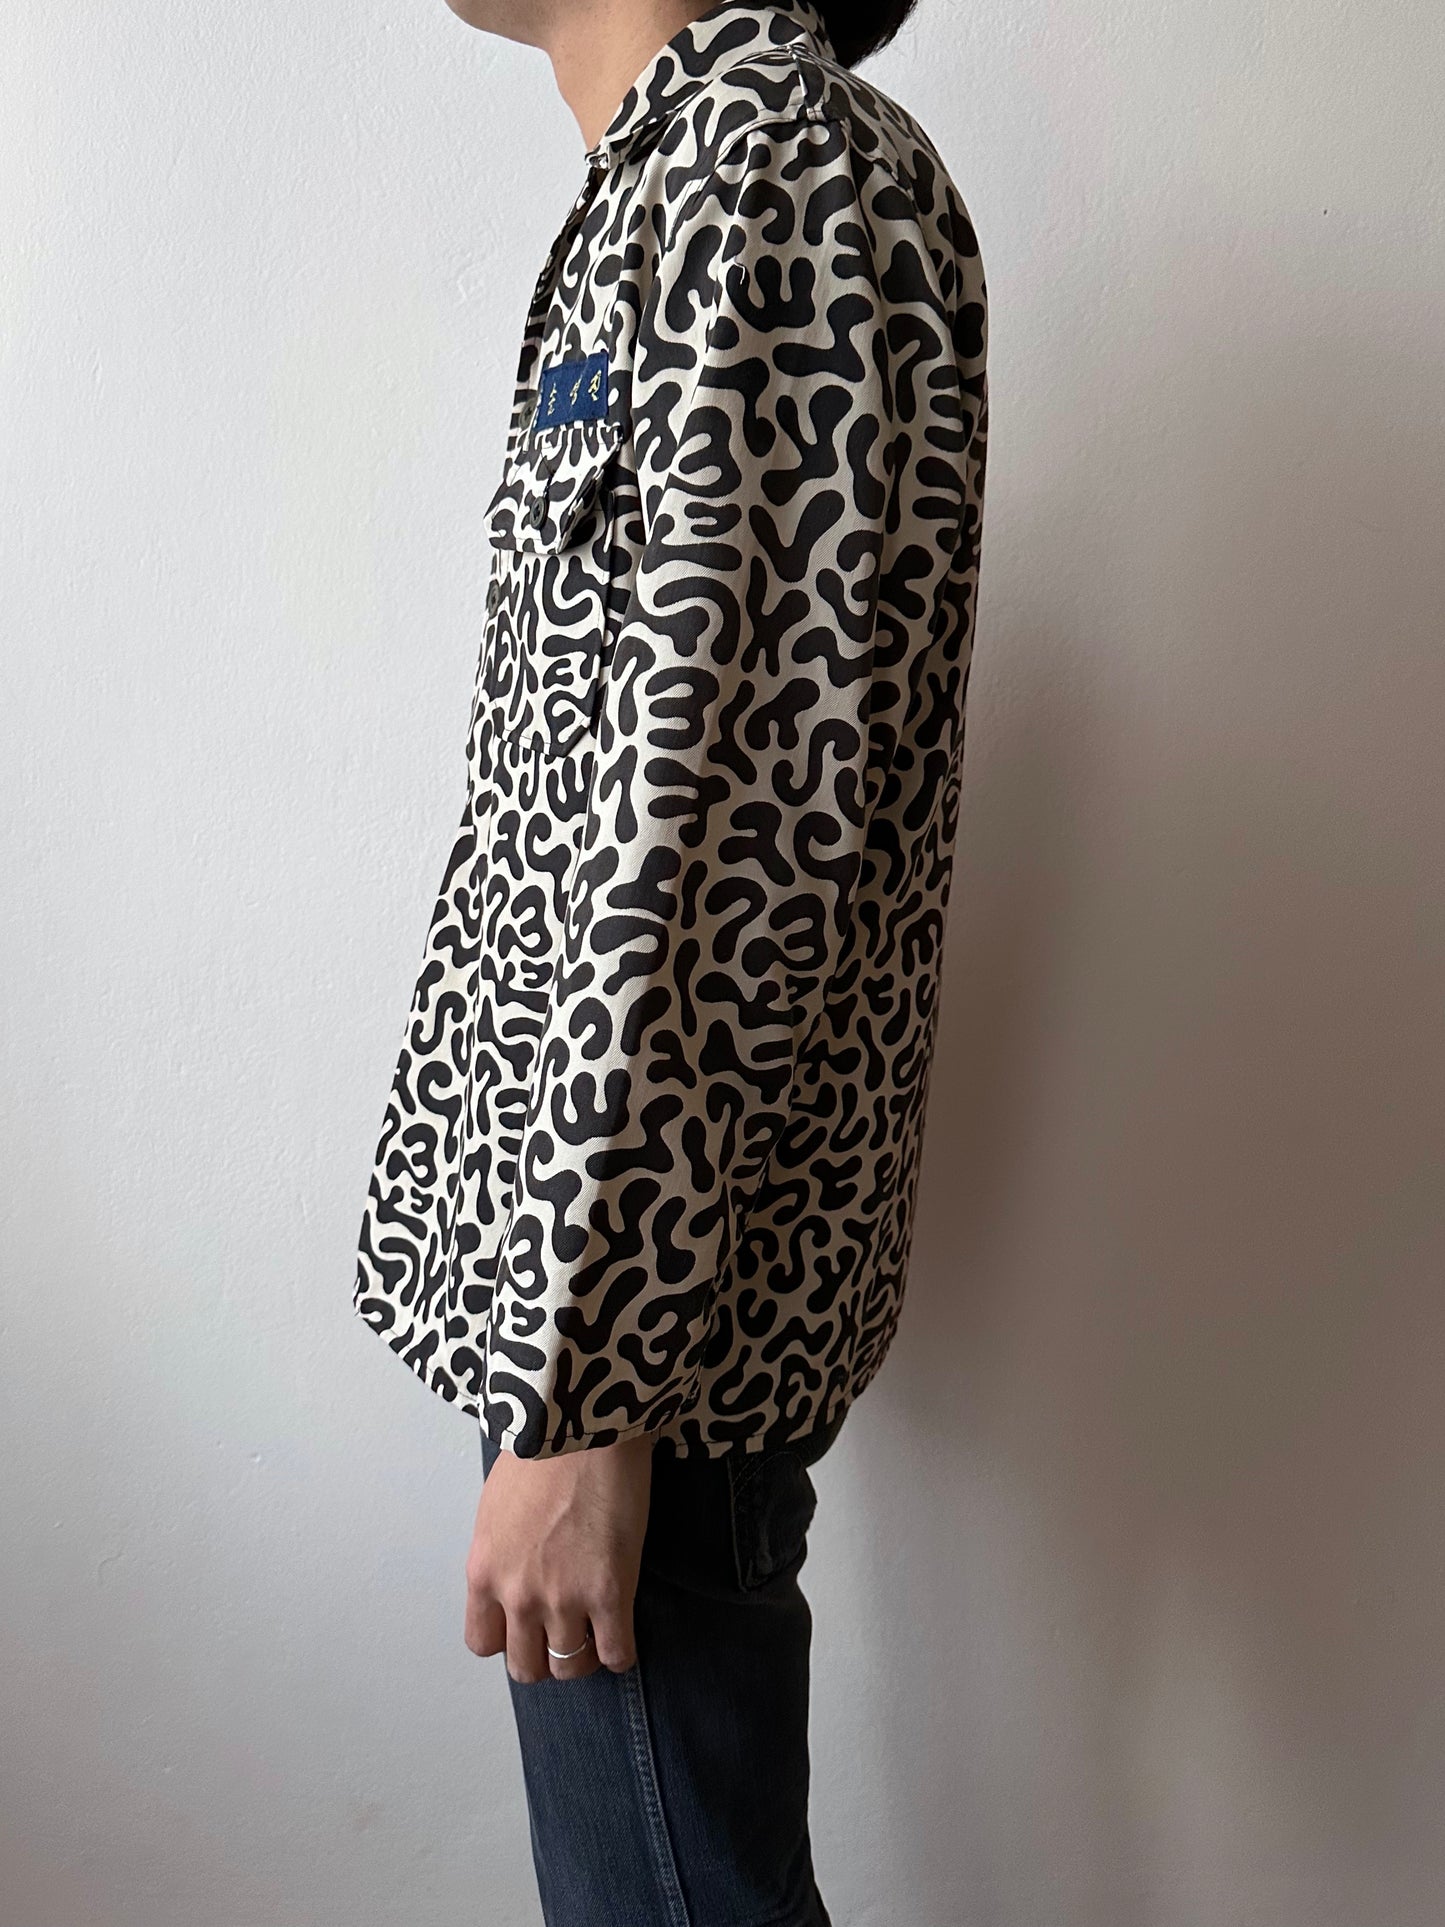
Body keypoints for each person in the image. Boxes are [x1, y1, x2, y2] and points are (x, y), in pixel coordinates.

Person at [352, 0, 987, 1917]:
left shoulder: (761, 167)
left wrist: (587, 1393)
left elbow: (723, 823)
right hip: (610, 1311)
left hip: (639, 1343)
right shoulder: (686, 181)